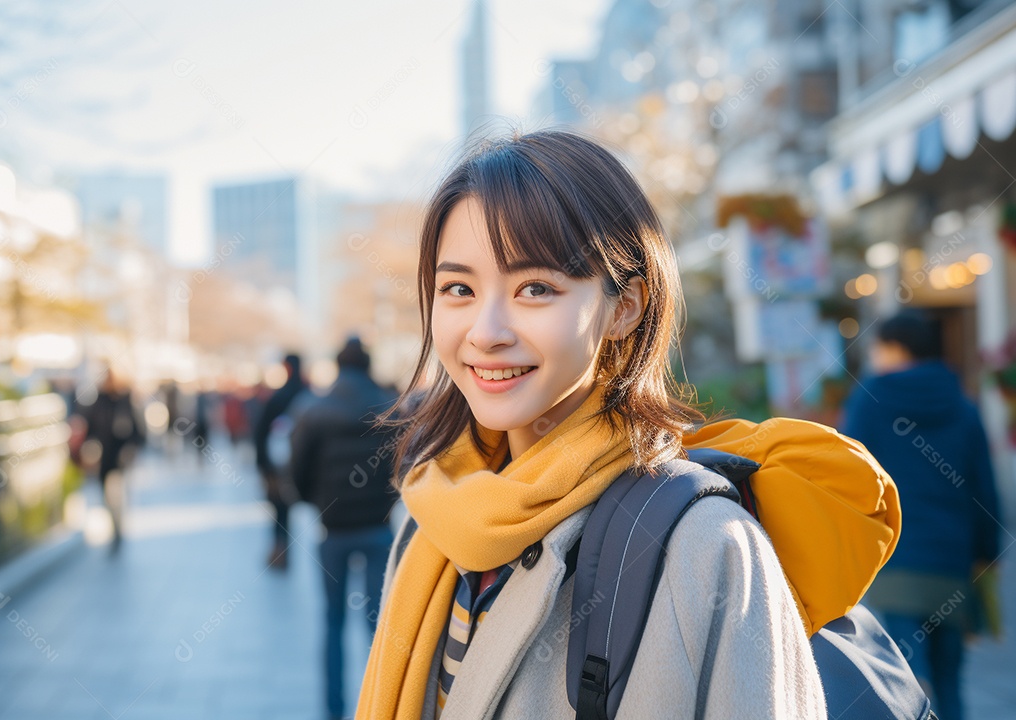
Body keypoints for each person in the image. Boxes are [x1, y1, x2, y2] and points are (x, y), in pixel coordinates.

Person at [354, 131, 859, 719]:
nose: (486, 332)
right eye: (458, 288)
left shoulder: (705, 546)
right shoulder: (432, 522)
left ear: (625, 307)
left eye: (535, 288)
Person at [842, 311, 1001, 720]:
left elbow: (848, 474)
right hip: (953, 562)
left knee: (904, 682)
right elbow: (984, 489)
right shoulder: (962, 403)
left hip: (896, 559)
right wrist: (987, 554)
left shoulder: (871, 398)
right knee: (949, 681)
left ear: (896, 348)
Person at [289, 336, 398, 720]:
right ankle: (377, 705)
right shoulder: (389, 406)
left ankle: (333, 710)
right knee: (377, 623)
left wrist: (316, 503)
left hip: (333, 531)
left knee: (332, 621)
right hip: (378, 528)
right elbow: (403, 466)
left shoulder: (315, 410)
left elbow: (296, 470)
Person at [79, 368, 143, 552]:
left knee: (116, 495)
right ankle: (115, 527)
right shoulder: (97, 401)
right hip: (103, 459)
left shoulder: (125, 401)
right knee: (107, 498)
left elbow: (137, 430)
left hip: (119, 459)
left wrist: (130, 449)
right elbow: (89, 427)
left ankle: (118, 531)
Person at [254, 353, 305, 569]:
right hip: (299, 465)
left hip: (276, 467)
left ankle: (279, 550)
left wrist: (263, 465)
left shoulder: (277, 398)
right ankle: (283, 551)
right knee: (287, 509)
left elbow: (260, 433)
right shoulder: (307, 396)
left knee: (278, 510)